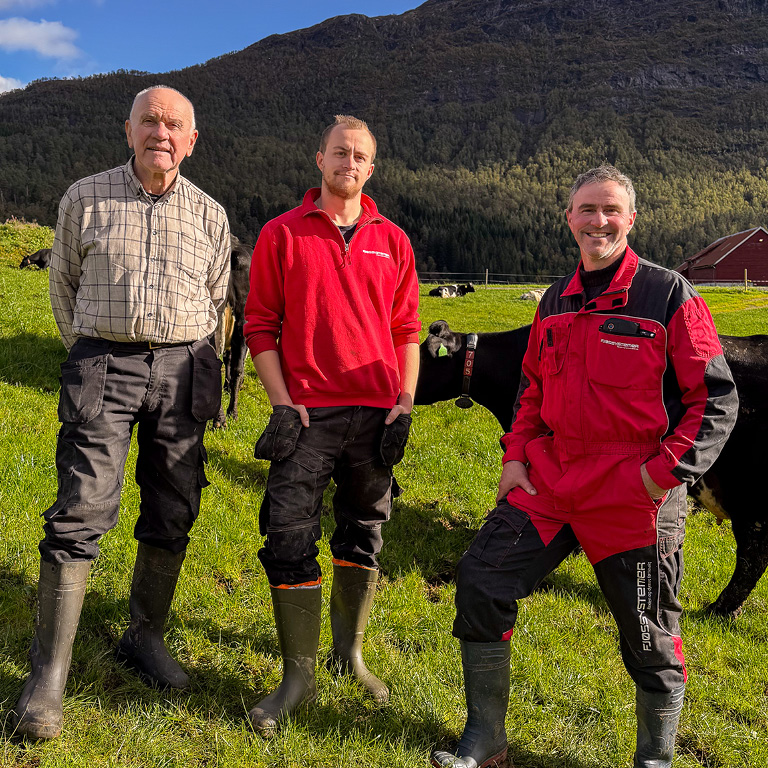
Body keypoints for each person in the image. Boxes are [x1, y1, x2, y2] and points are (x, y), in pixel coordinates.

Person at [431, 165, 738, 768]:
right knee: (482, 581)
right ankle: (485, 740)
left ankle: (655, 759)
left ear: (631, 219)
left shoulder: (669, 294)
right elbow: (531, 389)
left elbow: (715, 400)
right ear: (569, 218)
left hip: (634, 493)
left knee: (649, 635)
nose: (599, 221)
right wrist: (515, 455)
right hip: (552, 481)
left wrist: (658, 477)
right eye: (587, 210)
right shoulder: (555, 300)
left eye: (611, 210)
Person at [12, 86, 231, 740]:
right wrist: (91, 347)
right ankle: (49, 675)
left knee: (175, 505)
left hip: (185, 370)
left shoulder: (211, 214)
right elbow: (63, 286)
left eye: (175, 124)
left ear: (192, 141)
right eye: (150, 121)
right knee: (80, 509)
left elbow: (217, 297)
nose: (162, 132)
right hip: (104, 363)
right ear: (128, 130)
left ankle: (144, 636)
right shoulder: (85, 197)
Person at [243, 114, 420, 734]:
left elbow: (406, 329)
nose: (349, 162)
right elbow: (259, 325)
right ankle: (299, 677)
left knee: (364, 532)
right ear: (319, 159)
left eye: (360, 156)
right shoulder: (282, 234)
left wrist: (404, 402)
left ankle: (350, 656)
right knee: (289, 535)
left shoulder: (393, 240)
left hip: (376, 416)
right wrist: (281, 402)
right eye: (339, 152)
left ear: (371, 168)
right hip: (307, 415)